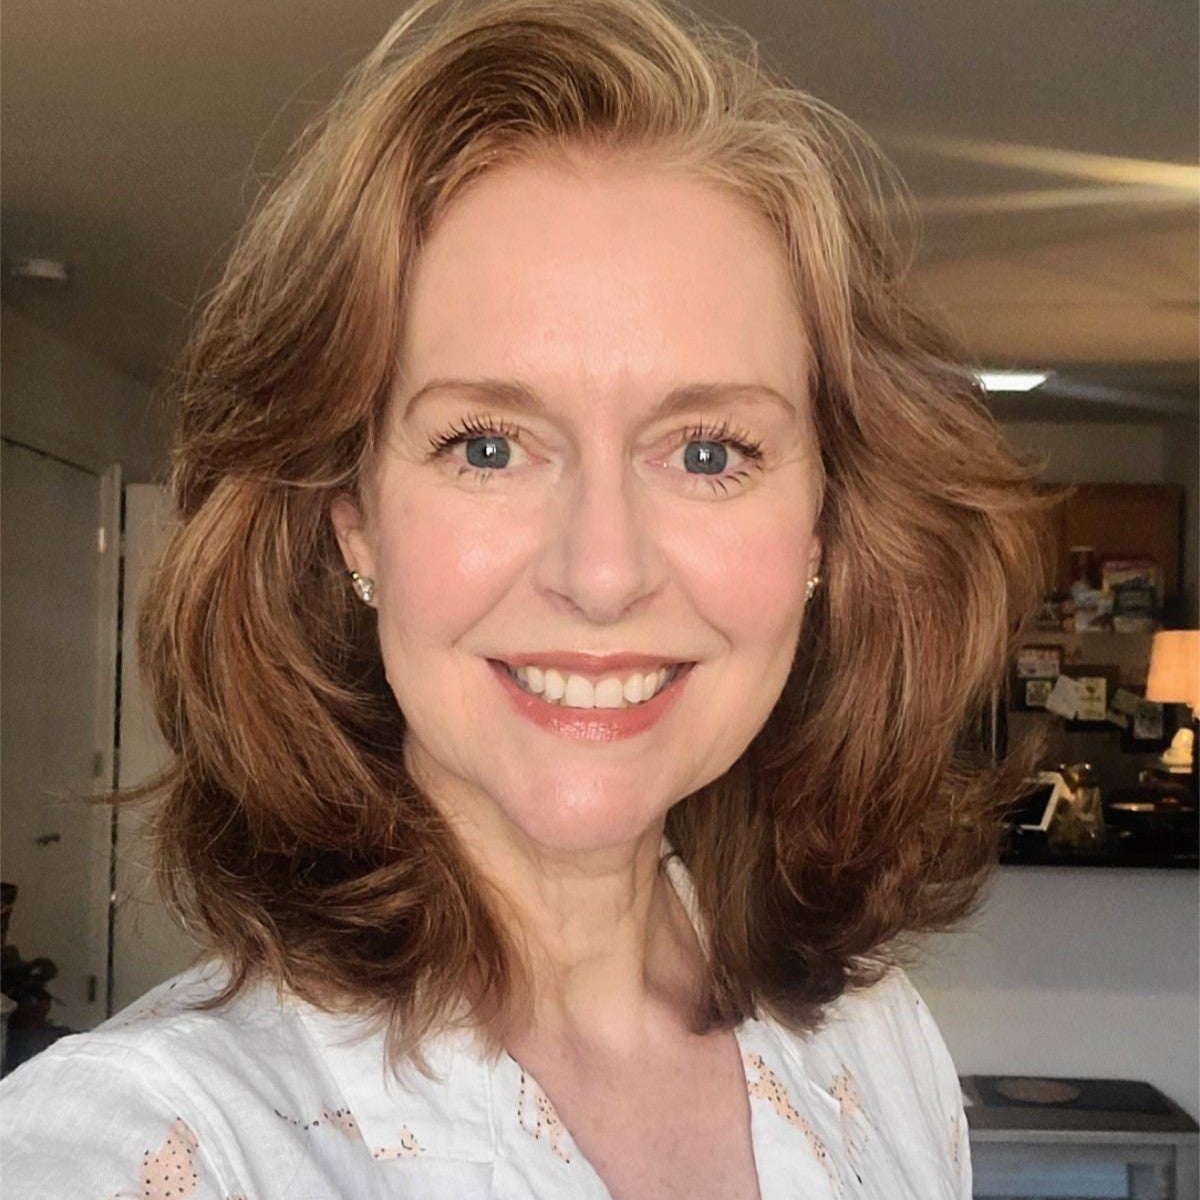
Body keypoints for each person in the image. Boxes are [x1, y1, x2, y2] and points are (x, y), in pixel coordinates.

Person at [0, 0, 1045, 1196]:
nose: (601, 574)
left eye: (708, 451)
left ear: (824, 524)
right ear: (353, 518)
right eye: (487, 446)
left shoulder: (875, 1045)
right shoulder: (141, 1142)